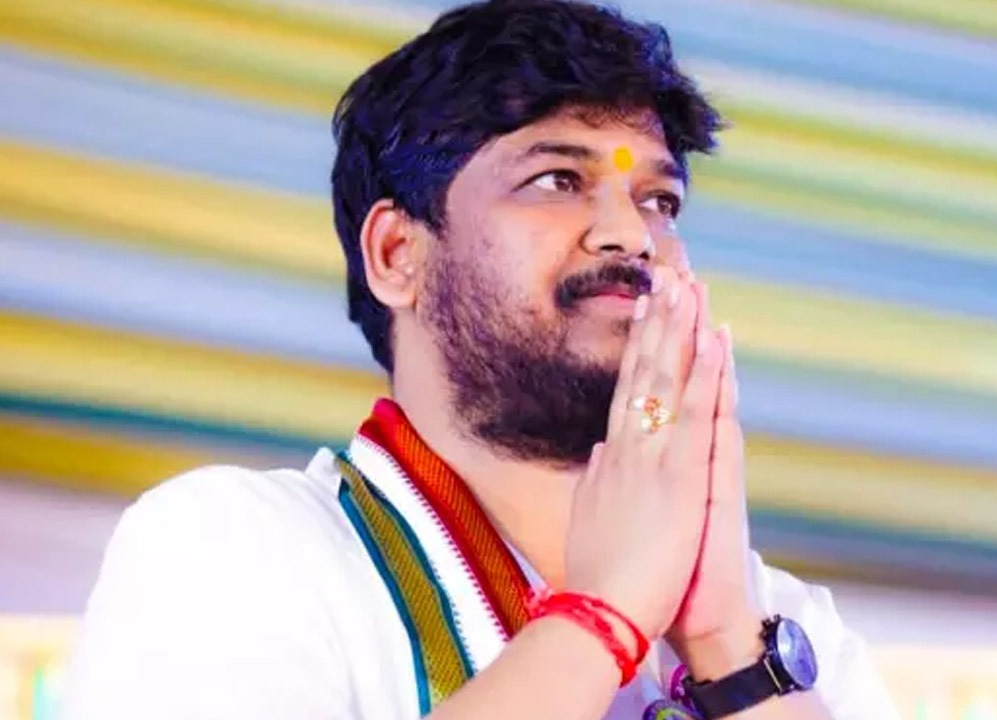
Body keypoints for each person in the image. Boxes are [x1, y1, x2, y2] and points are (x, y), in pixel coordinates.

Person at [63, 1, 900, 718]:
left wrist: (731, 656)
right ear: (397, 254)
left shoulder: (780, 623)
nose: (631, 234)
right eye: (556, 180)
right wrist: (602, 614)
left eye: (659, 199)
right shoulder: (240, 550)